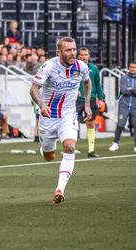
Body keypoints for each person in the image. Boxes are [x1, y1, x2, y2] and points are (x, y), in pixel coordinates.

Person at [30, 37, 92, 204]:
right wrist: (42, 105)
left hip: (68, 114)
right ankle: (45, 149)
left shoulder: (81, 67)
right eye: (68, 50)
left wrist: (87, 104)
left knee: (70, 147)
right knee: (49, 156)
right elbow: (34, 89)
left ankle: (60, 189)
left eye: (74, 49)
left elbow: (87, 82)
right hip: (48, 117)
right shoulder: (49, 66)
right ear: (59, 52)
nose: (73, 53)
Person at [76, 47, 105, 157]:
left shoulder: (94, 69)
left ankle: (91, 150)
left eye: (86, 54)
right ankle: (70, 147)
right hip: (77, 100)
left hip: (91, 99)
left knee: (90, 123)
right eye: (82, 54)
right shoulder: (75, 68)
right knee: (73, 123)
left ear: (89, 56)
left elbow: (98, 84)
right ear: (78, 56)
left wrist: (101, 97)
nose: (84, 56)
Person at [109, 61, 136, 152]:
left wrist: (131, 89)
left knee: (135, 125)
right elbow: (124, 91)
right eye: (131, 67)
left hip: (134, 106)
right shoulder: (123, 78)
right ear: (128, 68)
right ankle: (115, 143)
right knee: (120, 124)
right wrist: (133, 90)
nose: (132, 69)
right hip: (124, 105)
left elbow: (129, 91)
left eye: (134, 67)